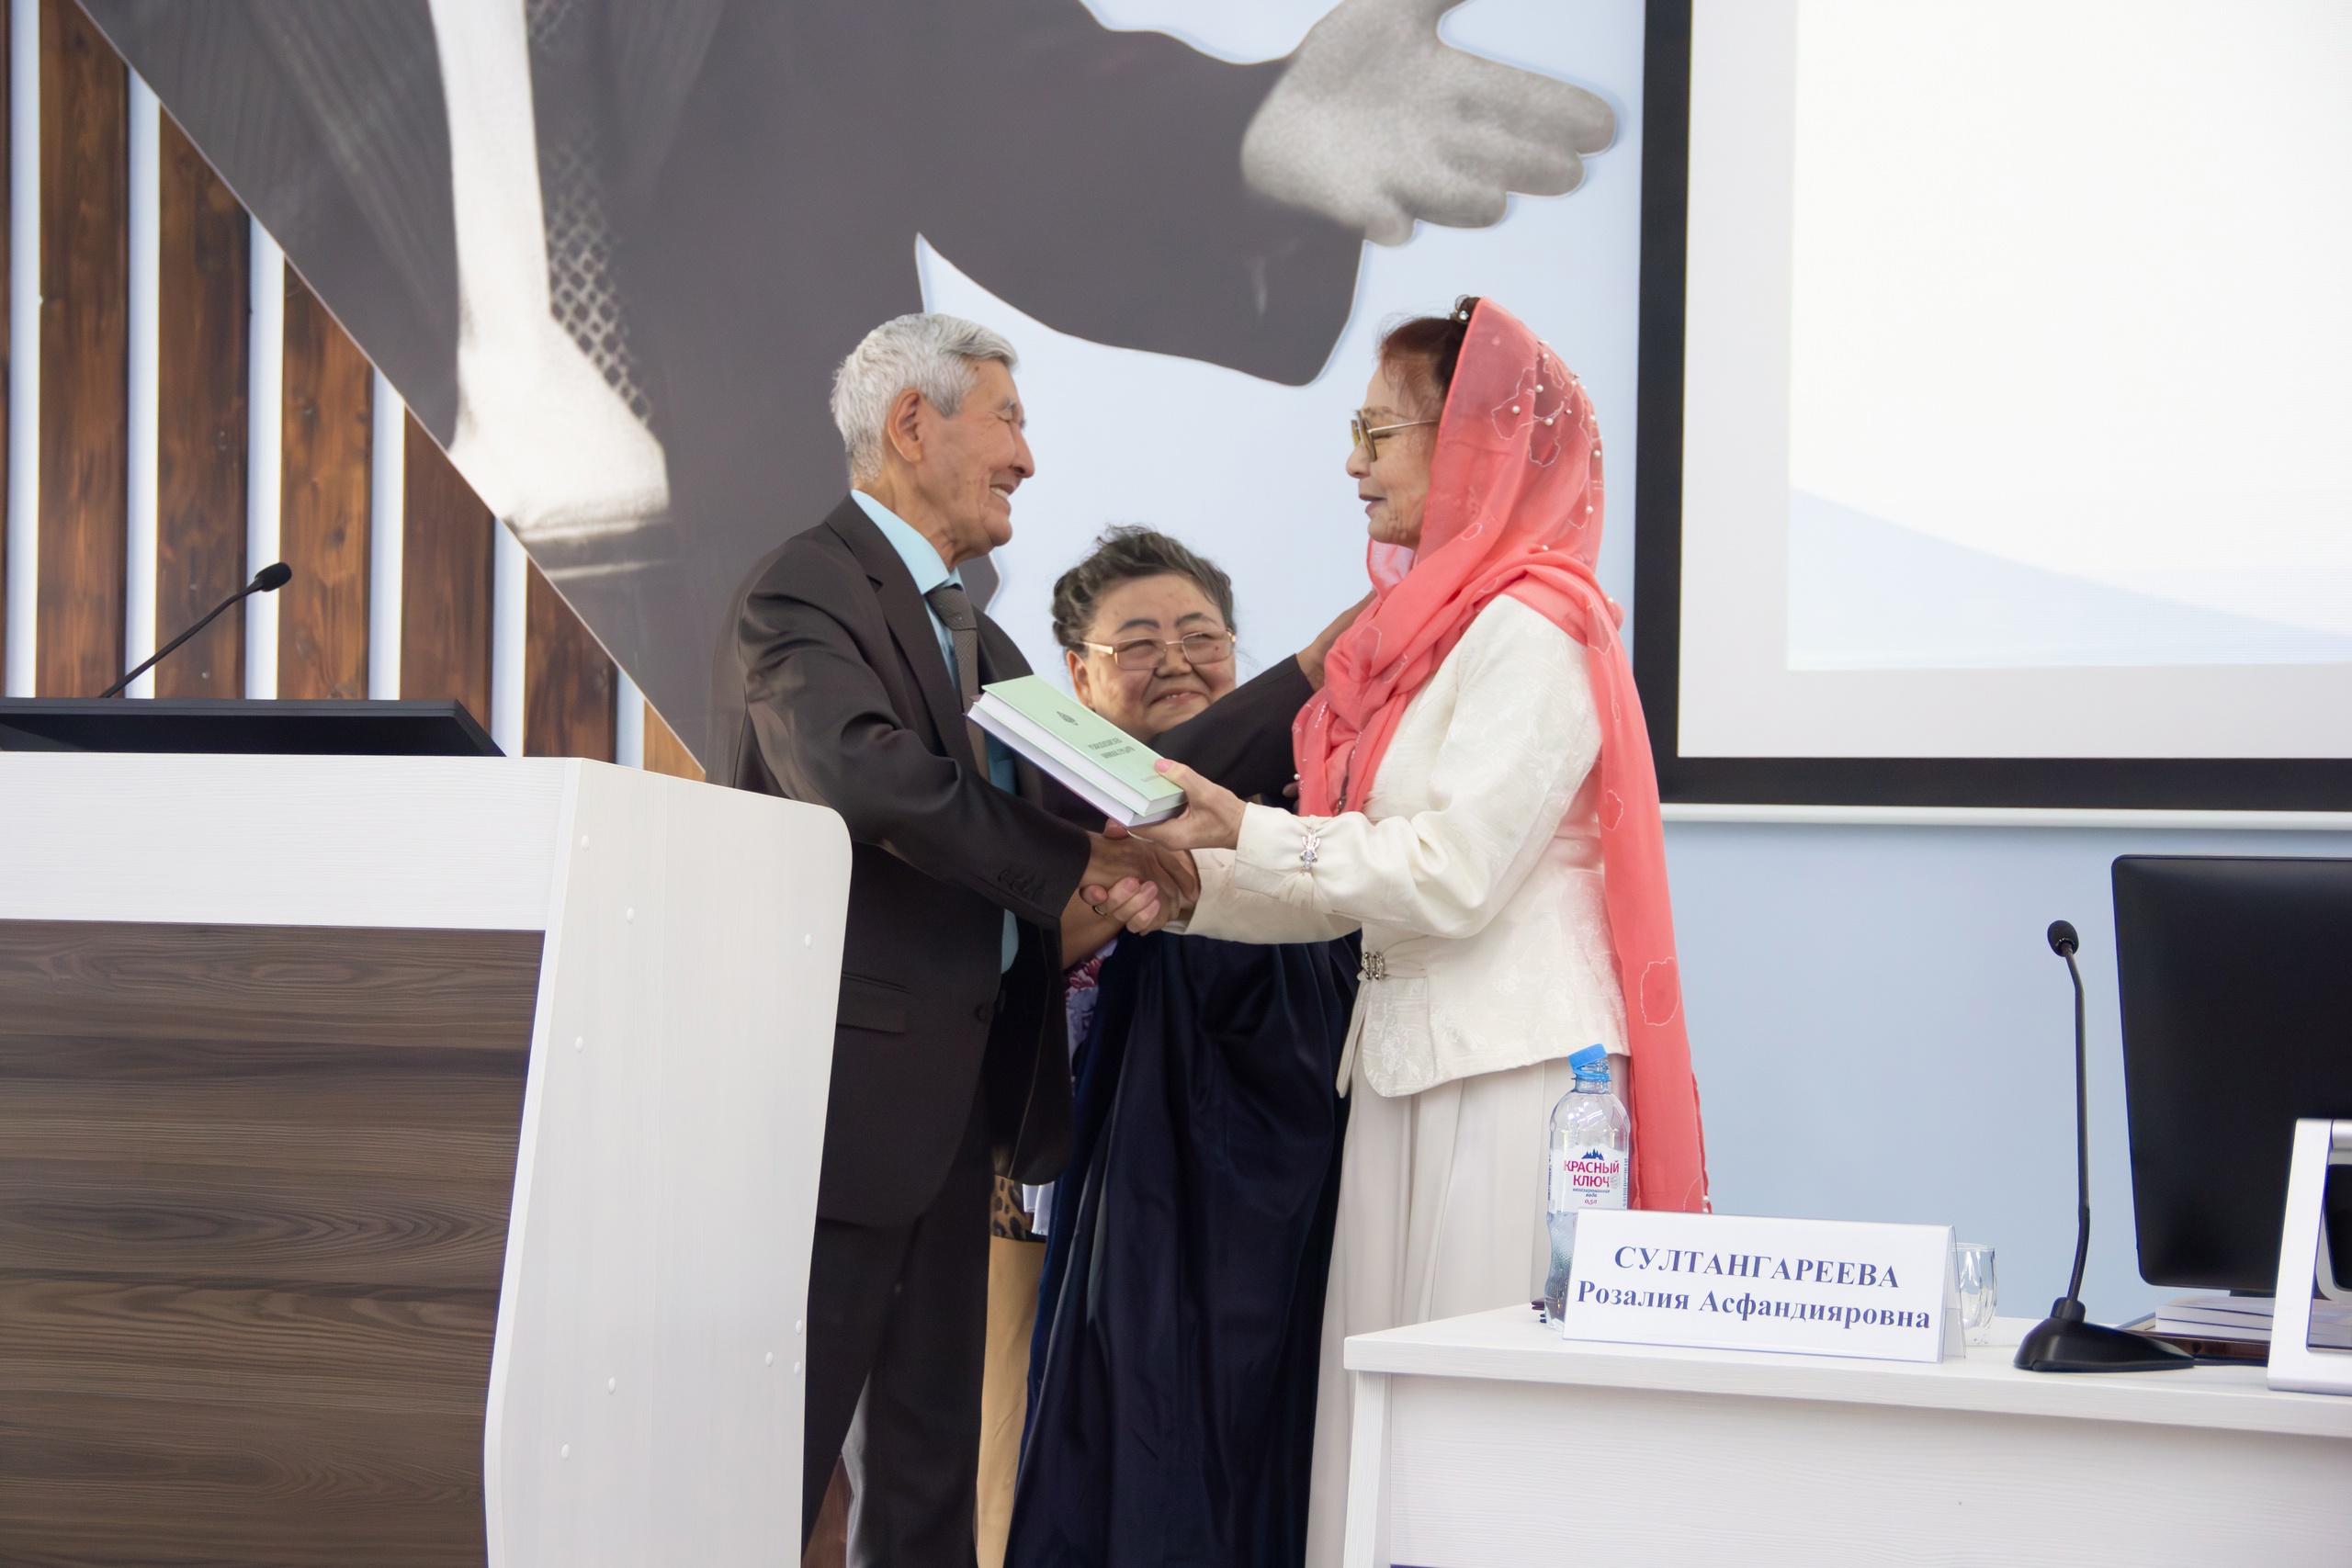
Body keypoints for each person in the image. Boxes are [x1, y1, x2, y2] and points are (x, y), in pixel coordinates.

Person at [1098, 298, 1710, 1567]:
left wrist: (1243, 829)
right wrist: (1195, 884)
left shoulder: (1536, 629)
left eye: (1379, 432)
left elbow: (1449, 874)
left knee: (1483, 1450)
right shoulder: (1446, 634)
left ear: (1477, 440)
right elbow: (1355, 880)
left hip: (1517, 1082)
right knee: (1388, 1438)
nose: (1353, 462)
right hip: (1404, 1070)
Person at [733, 313, 1191, 1564]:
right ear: (911, 424)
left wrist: (1196, 809)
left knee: (931, 1472)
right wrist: (1081, 859)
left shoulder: (975, 632)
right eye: (1008, 420)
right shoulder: (803, 588)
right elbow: (865, 779)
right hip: (836, 1113)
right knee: (772, 1471)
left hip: (951, 1116)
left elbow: (1093, 793)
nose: (1027, 459)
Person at [999, 530, 1359, 1568]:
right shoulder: (1042, 795)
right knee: (1066, 1438)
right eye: (1139, 643)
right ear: (1078, 677)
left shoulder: (1296, 802)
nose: (1177, 661)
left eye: (1201, 636)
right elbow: (1034, 946)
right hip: (1085, 1187)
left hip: (1273, 1187)